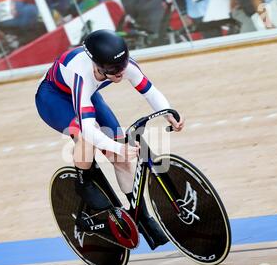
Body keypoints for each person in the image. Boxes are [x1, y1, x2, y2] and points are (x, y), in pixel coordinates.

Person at [35, 30, 185, 250]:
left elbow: (149, 91)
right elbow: (87, 129)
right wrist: (116, 147)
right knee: (86, 134)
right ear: (97, 65)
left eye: (122, 67)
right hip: (53, 98)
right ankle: (84, 181)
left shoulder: (125, 66)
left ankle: (141, 216)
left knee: (121, 157)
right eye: (113, 71)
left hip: (88, 95)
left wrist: (168, 112)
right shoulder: (82, 75)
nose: (119, 74)